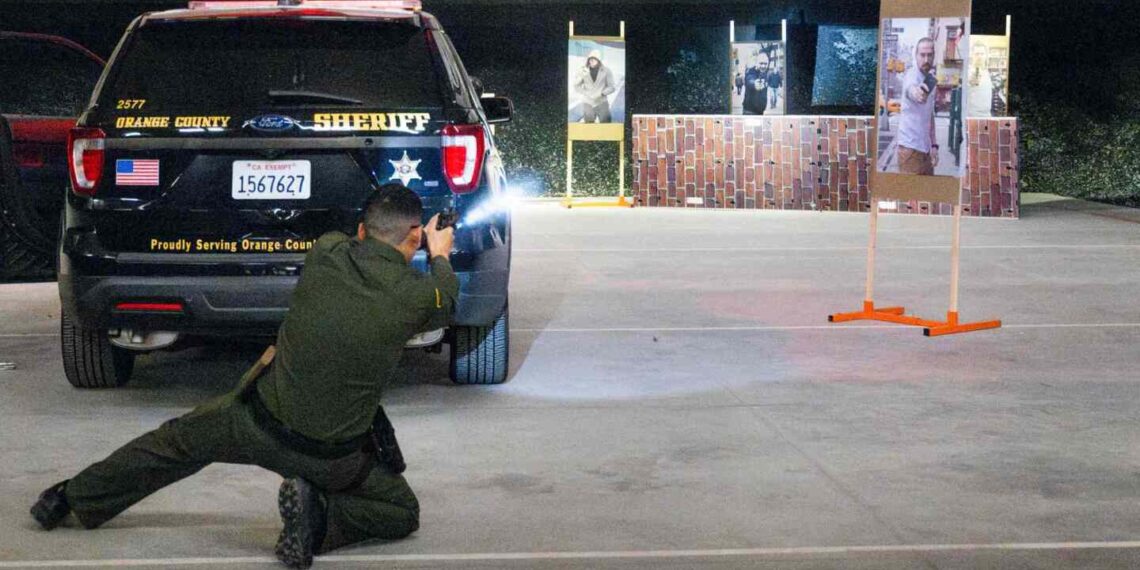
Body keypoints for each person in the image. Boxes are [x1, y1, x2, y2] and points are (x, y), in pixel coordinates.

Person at [29, 183, 458, 569]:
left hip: (255, 423)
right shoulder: (421, 296)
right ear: (416, 237)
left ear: (361, 232)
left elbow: (355, 244)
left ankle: (68, 498)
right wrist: (438, 252)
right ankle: (320, 517)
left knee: (171, 443)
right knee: (401, 510)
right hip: (333, 460)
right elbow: (445, 293)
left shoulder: (326, 251)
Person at [897, 37, 940, 175]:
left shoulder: (930, 79)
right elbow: (912, 91)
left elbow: (929, 114)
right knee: (910, 194)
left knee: (927, 194)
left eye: (929, 55)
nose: (926, 59)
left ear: (934, 55)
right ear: (916, 55)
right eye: (922, 55)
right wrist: (918, 93)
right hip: (910, 151)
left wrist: (934, 145)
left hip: (926, 151)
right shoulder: (911, 76)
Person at [573, 49, 616, 123]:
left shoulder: (606, 71)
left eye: (594, 59)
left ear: (598, 60)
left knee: (606, 125)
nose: (591, 61)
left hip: (602, 102)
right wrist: (585, 92)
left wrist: (601, 93)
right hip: (588, 102)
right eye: (590, 59)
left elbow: (612, 87)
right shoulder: (582, 70)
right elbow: (576, 86)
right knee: (589, 126)